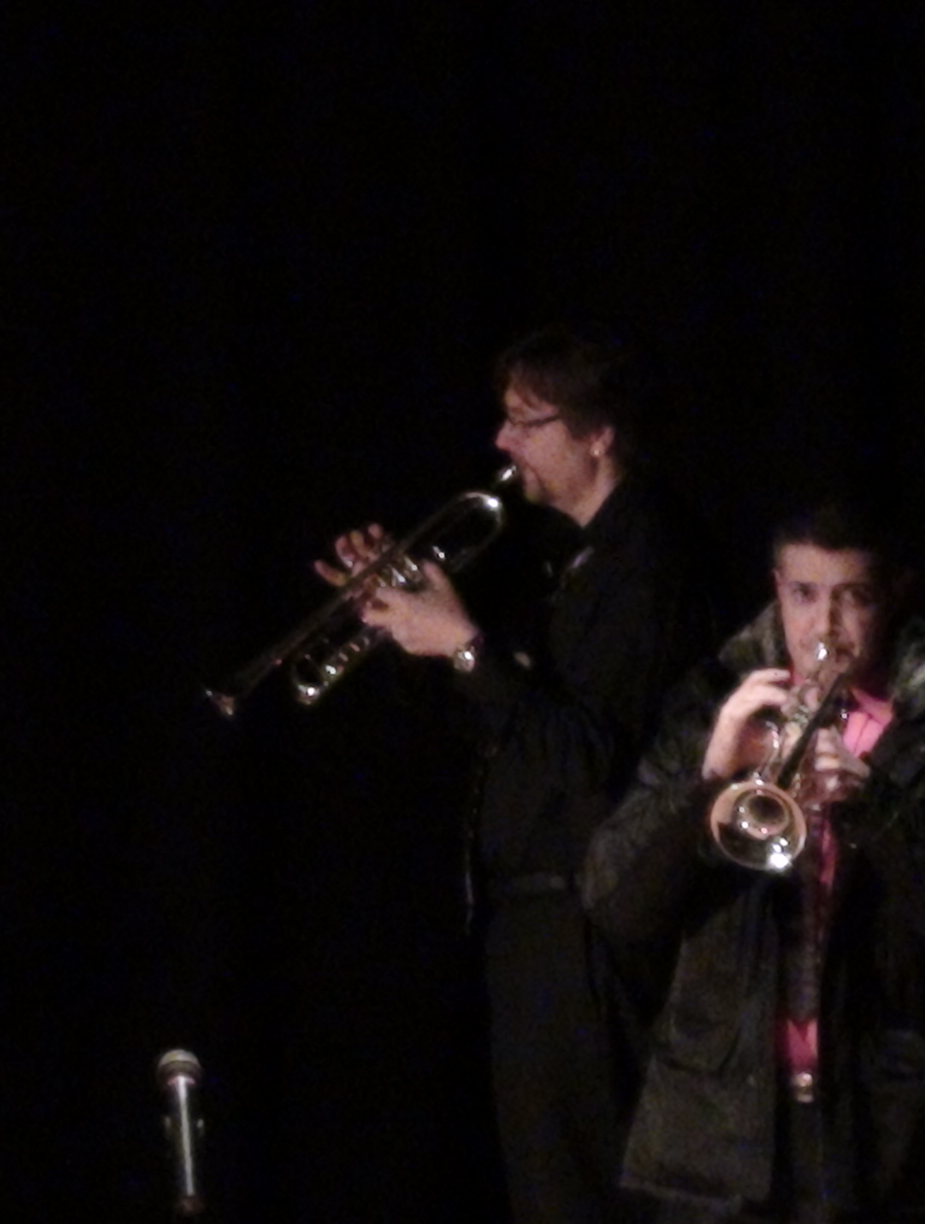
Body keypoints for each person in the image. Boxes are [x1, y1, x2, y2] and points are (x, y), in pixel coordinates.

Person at [318, 323, 719, 1224]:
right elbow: (501, 729)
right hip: (538, 928)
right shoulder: (563, 558)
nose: (502, 441)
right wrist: (401, 624)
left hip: (590, 929)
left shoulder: (649, 562)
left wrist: (465, 647)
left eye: (526, 421)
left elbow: (591, 761)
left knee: (584, 1197)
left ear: (598, 434)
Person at [578, 499, 925, 1222]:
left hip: (889, 1143)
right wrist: (708, 783)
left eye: (853, 597)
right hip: (721, 1143)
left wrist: (875, 805)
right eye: (804, 594)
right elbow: (613, 909)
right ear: (776, 588)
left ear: (894, 594)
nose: (825, 626)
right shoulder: (712, 704)